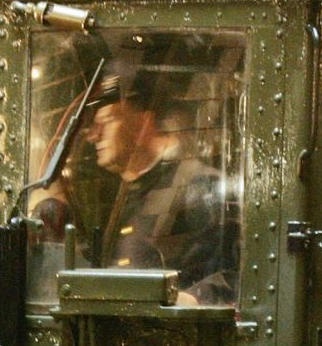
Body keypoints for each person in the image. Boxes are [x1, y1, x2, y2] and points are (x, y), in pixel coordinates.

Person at [85, 76, 235, 305]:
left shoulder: (198, 184)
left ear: (144, 123)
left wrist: (191, 300)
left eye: (108, 120)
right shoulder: (122, 195)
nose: (94, 135)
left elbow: (237, 274)